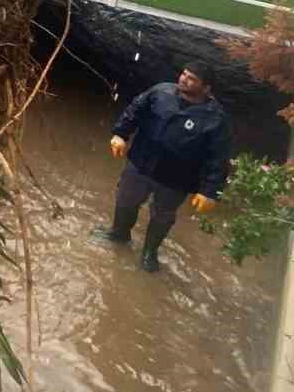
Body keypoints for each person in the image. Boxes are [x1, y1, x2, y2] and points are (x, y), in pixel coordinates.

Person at [93, 59, 231, 272]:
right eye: (184, 74)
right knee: (126, 198)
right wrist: (120, 134)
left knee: (163, 214)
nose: (184, 79)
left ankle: (149, 252)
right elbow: (135, 110)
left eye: (192, 78)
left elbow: (219, 157)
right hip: (140, 163)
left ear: (206, 87)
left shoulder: (215, 119)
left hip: (177, 178)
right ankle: (120, 234)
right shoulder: (161, 92)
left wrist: (210, 192)